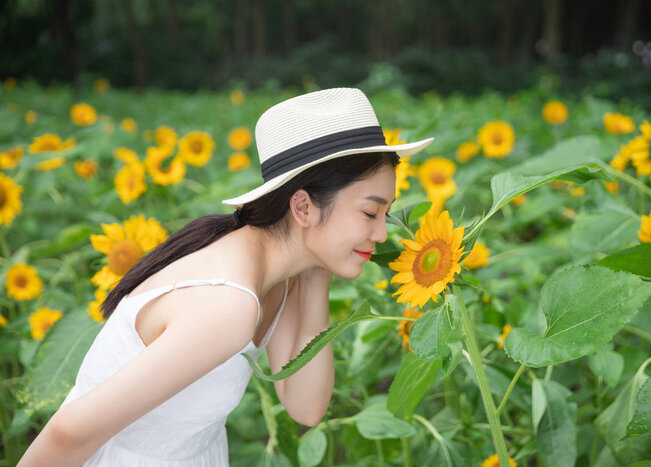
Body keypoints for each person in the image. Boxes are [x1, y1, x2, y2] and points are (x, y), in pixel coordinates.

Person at [18, 87, 434, 466]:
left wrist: (318, 272)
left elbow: (305, 406)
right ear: (303, 208)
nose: (381, 234)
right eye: (369, 213)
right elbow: (68, 433)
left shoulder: (279, 269)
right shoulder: (227, 304)